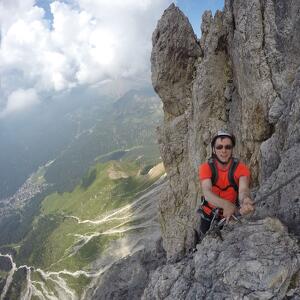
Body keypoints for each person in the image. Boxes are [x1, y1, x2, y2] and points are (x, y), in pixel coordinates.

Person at [198, 129, 255, 235]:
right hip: (208, 216)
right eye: (219, 147)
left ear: (232, 149)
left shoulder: (241, 169)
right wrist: (226, 205)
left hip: (230, 216)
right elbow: (207, 193)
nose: (223, 151)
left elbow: (243, 190)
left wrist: (245, 201)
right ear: (214, 150)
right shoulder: (206, 168)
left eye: (227, 147)